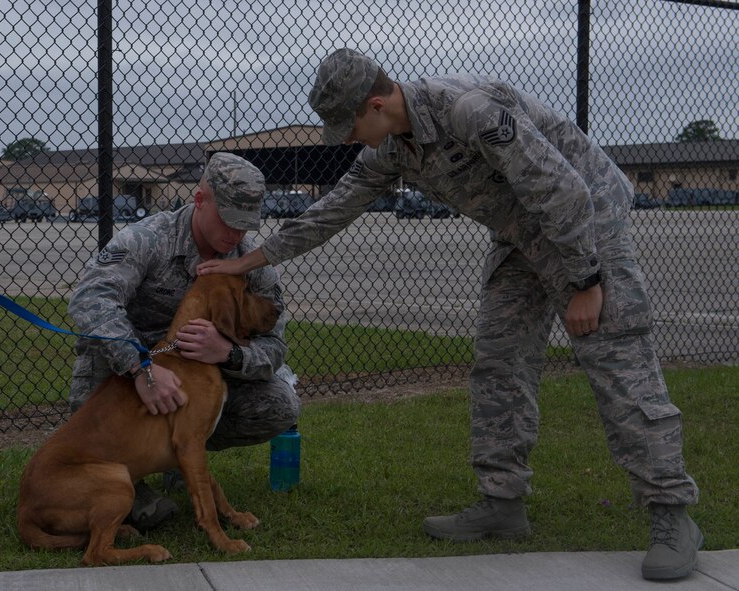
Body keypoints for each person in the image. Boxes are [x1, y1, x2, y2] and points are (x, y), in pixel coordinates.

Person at [197, 49, 701, 580]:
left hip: (588, 225)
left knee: (618, 363)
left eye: (349, 126)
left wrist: (586, 281)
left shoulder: (470, 111)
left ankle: (671, 514)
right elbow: (330, 212)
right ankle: (502, 502)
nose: (346, 138)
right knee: (499, 361)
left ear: (376, 103)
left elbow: (563, 190)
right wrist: (249, 261)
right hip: (520, 236)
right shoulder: (391, 148)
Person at [68, 152, 301, 531]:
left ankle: (180, 456)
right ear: (199, 200)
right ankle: (133, 482)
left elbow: (275, 346)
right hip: (126, 379)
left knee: (279, 404)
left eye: (245, 225)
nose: (236, 235)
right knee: (100, 350)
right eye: (228, 220)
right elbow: (90, 300)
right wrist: (140, 368)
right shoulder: (147, 238)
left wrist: (229, 353)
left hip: (195, 378)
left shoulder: (249, 261)